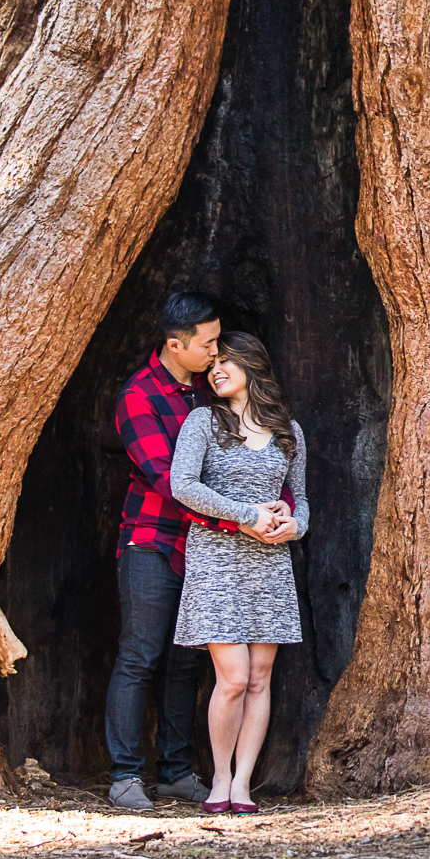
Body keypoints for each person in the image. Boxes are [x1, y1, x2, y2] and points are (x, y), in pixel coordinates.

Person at [106, 294, 295, 811]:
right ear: (175, 345)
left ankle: (174, 771)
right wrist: (246, 518)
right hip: (153, 539)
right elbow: (172, 483)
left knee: (187, 663)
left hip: (214, 546)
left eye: (221, 346)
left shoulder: (209, 395)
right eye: (208, 345)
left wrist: (272, 517)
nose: (215, 355)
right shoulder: (140, 398)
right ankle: (125, 775)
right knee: (140, 653)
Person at [170, 331, 308, 814]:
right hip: (216, 560)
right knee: (231, 677)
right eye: (212, 364)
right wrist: (247, 515)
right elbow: (182, 485)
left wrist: (295, 527)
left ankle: (244, 783)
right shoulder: (202, 422)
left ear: (253, 365)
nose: (216, 370)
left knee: (259, 678)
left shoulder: (288, 430)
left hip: (269, 564)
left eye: (227, 361)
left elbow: (300, 500)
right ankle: (220, 778)